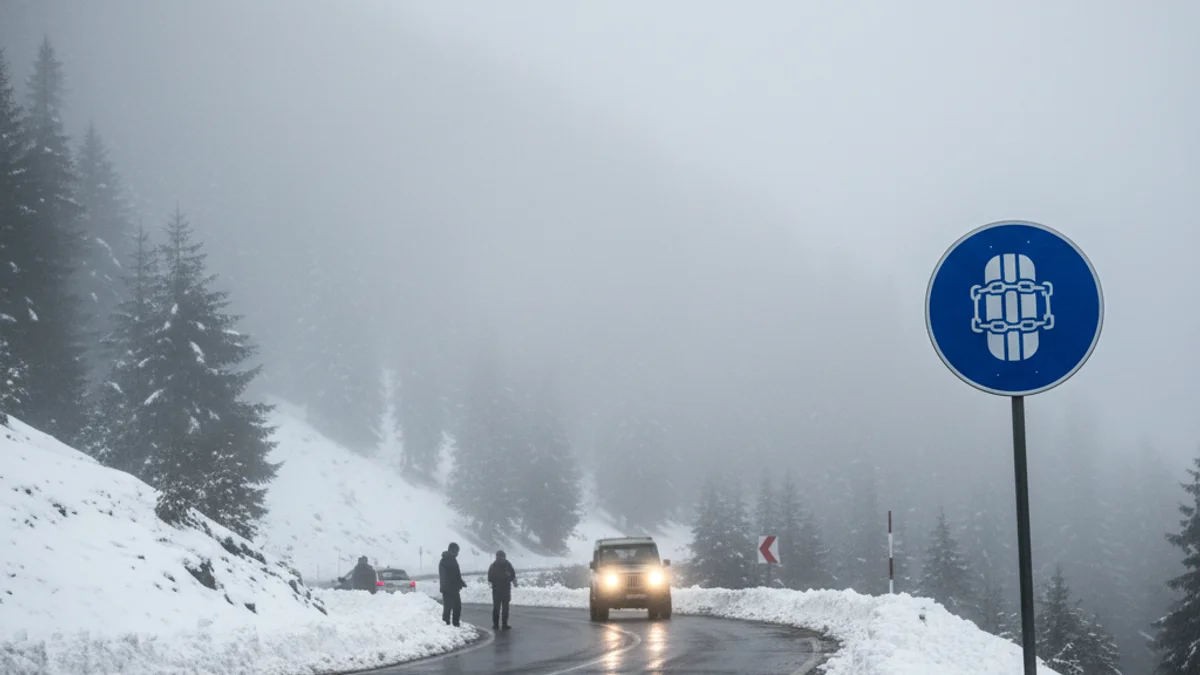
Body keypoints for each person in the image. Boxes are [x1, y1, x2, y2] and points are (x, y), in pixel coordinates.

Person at [487, 550, 517, 630]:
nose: (501, 558)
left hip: (505, 589)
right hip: (497, 590)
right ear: (497, 557)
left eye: (502, 557)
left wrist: (509, 577)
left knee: (505, 608)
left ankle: (504, 624)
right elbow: (489, 578)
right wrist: (498, 579)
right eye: (499, 557)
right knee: (497, 608)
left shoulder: (508, 565)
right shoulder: (493, 566)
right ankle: (496, 624)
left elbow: (513, 575)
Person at [439, 542, 467, 626]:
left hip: (454, 588)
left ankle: (455, 624)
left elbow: (456, 574)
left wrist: (461, 582)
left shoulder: (453, 559)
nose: (457, 553)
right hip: (448, 589)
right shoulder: (444, 560)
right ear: (452, 550)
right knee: (448, 608)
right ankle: (446, 625)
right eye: (456, 551)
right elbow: (443, 575)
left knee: (457, 607)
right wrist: (445, 587)